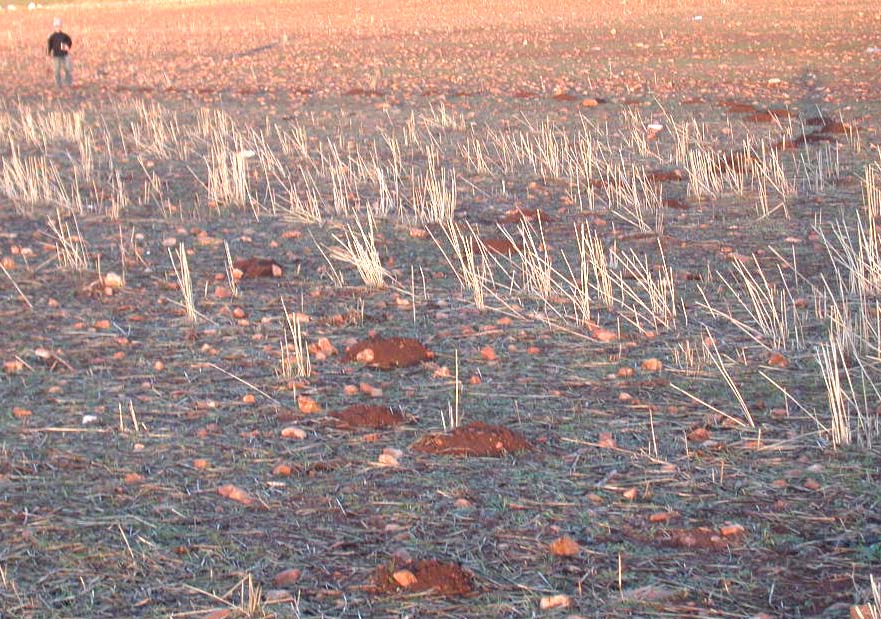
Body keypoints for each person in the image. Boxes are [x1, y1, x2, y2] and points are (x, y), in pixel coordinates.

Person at [47, 17, 72, 88]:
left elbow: (69, 42)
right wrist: (48, 53)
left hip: (64, 55)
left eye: (59, 26)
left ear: (61, 27)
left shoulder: (65, 36)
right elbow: (50, 45)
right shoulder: (52, 37)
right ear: (54, 27)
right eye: (56, 26)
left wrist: (68, 47)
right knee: (57, 71)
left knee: (67, 69)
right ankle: (58, 84)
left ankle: (68, 83)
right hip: (56, 56)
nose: (58, 28)